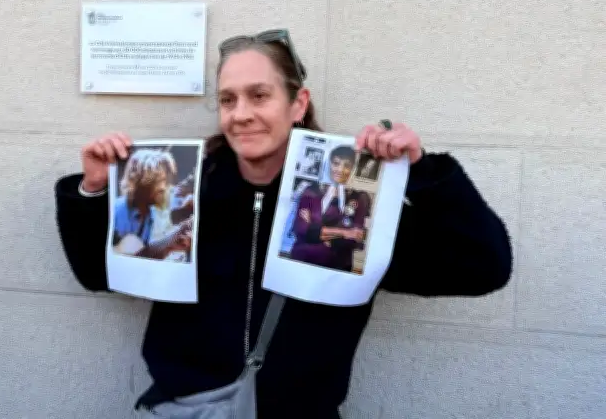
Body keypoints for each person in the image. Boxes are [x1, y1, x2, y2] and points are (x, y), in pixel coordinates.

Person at [54, 29, 513, 418]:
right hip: (187, 407)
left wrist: (422, 172)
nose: (242, 114)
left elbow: (483, 268)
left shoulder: (352, 197)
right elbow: (98, 276)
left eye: (260, 95)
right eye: (228, 99)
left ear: (298, 104)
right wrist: (94, 192)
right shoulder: (182, 187)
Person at [290, 144, 372, 272]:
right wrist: (344, 232)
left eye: (347, 165)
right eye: (336, 163)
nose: (340, 169)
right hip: (301, 261)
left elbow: (356, 239)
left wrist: (314, 226)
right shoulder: (311, 191)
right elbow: (300, 229)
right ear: (329, 164)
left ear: (352, 169)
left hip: (338, 269)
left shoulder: (359, 198)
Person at [111, 148, 192, 260]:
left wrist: (170, 246)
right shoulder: (116, 210)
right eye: (161, 180)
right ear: (144, 181)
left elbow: (145, 254)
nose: (164, 187)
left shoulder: (151, 213)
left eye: (166, 181)